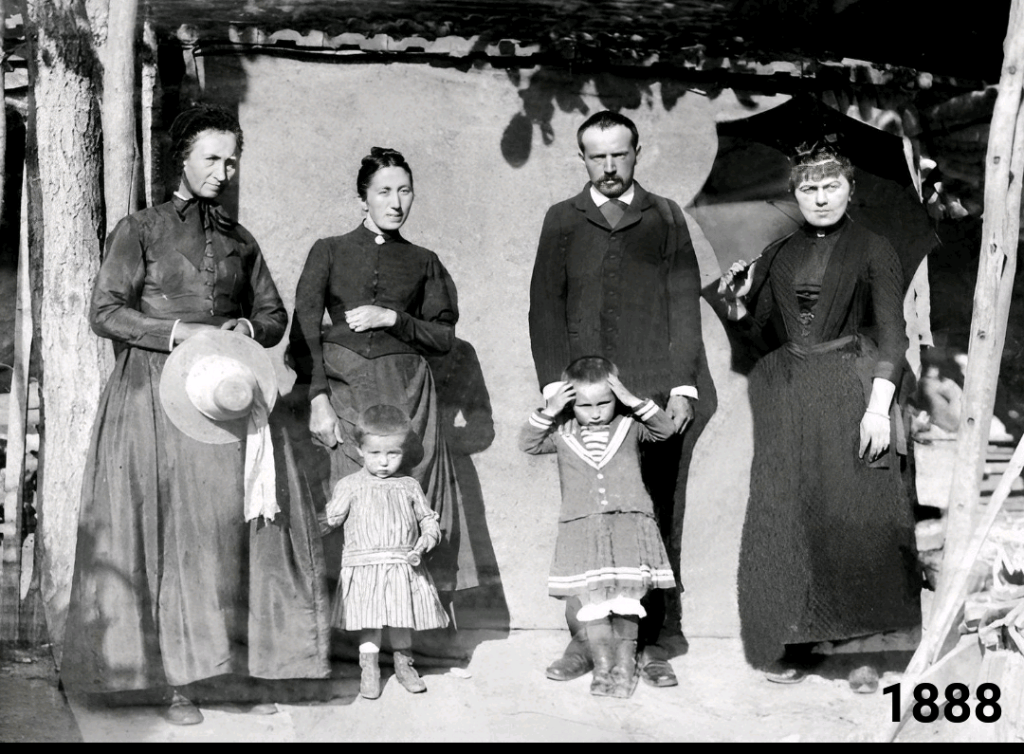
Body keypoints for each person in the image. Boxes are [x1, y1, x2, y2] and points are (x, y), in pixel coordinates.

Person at [61, 104, 331, 725]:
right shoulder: (142, 229)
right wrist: (177, 330)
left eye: (231, 159)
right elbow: (105, 312)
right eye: (212, 157)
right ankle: (175, 681)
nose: (224, 170)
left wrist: (244, 326)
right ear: (181, 158)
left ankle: (232, 674)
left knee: (234, 531)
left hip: (230, 395)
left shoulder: (240, 238)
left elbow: (273, 315)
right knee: (177, 534)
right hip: (155, 396)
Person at [719, 143, 922, 693]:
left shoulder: (874, 248)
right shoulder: (779, 253)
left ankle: (862, 650)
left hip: (853, 387)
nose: (821, 197)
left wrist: (878, 407)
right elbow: (763, 337)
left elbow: (894, 334)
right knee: (793, 513)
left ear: (850, 189)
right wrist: (738, 304)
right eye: (809, 188)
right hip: (791, 392)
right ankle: (801, 641)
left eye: (831, 186)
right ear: (795, 195)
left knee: (854, 512)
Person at [528, 110, 704, 688]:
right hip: (584, 402)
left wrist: (681, 386)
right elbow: (545, 308)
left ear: (636, 153)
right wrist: (556, 389)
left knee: (651, 514)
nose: (608, 166)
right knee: (587, 519)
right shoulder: (562, 219)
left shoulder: (665, 216)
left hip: (649, 394)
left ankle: (650, 643)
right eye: (596, 156)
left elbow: (684, 303)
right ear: (583, 159)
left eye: (618, 154)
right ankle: (584, 640)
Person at [291, 147, 476, 597]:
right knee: (342, 499)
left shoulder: (424, 260)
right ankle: (347, 636)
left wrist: (393, 319)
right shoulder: (329, 251)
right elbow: (303, 330)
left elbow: (444, 336)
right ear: (363, 199)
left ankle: (411, 635)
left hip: (408, 396)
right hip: (343, 391)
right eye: (384, 191)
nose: (396, 202)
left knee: (408, 506)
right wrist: (317, 399)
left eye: (405, 191)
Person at [520, 357, 677, 697]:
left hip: (626, 528)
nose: (595, 412)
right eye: (584, 405)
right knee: (595, 603)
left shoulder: (629, 426)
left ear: (615, 398)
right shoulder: (561, 435)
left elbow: (665, 430)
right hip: (585, 533)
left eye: (604, 402)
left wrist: (632, 399)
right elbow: (528, 443)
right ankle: (603, 668)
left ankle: (625, 667)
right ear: (570, 403)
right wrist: (549, 409)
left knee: (625, 599)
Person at [320, 405, 450, 699]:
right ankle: (369, 670)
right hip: (364, 567)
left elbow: (427, 518)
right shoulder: (350, 485)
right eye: (375, 454)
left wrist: (429, 535)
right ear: (359, 450)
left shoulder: (409, 486)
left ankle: (405, 667)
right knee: (370, 622)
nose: (383, 462)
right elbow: (330, 519)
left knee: (402, 619)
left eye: (393, 454)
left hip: (402, 565)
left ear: (404, 451)